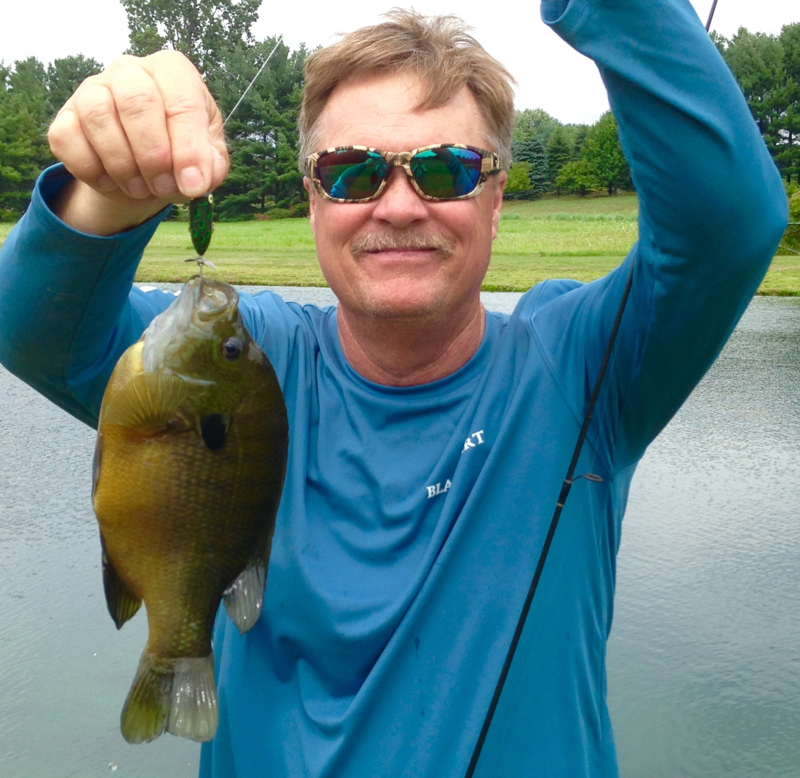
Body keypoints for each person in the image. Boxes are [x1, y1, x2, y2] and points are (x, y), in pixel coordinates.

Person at [0, 0, 788, 775]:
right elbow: (37, 332)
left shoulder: (586, 369)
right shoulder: (243, 366)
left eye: (447, 169)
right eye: (353, 172)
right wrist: (111, 187)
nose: (402, 204)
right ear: (313, 197)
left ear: (497, 198)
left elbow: (728, 227)